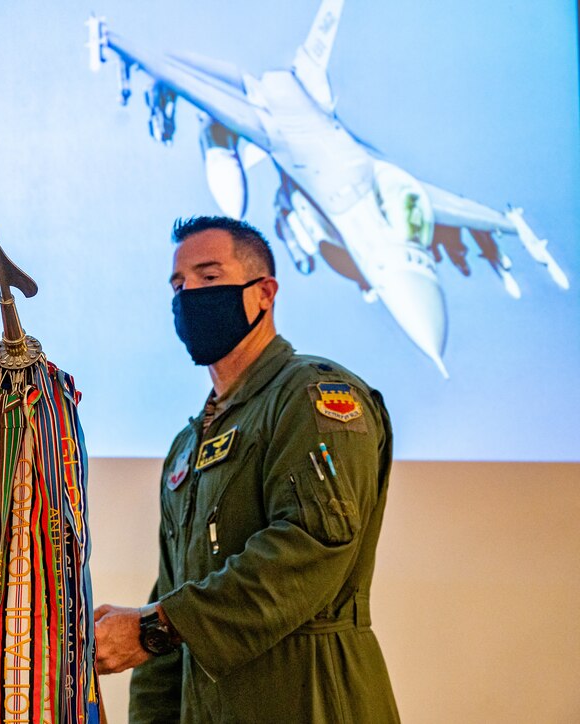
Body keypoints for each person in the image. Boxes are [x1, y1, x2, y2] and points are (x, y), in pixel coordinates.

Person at [93, 216, 399, 722]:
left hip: (310, 695)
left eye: (209, 278)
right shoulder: (189, 445)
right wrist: (157, 637)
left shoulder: (313, 396)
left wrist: (159, 626)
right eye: (178, 284)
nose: (188, 293)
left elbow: (309, 544)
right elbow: (168, 600)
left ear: (264, 293)